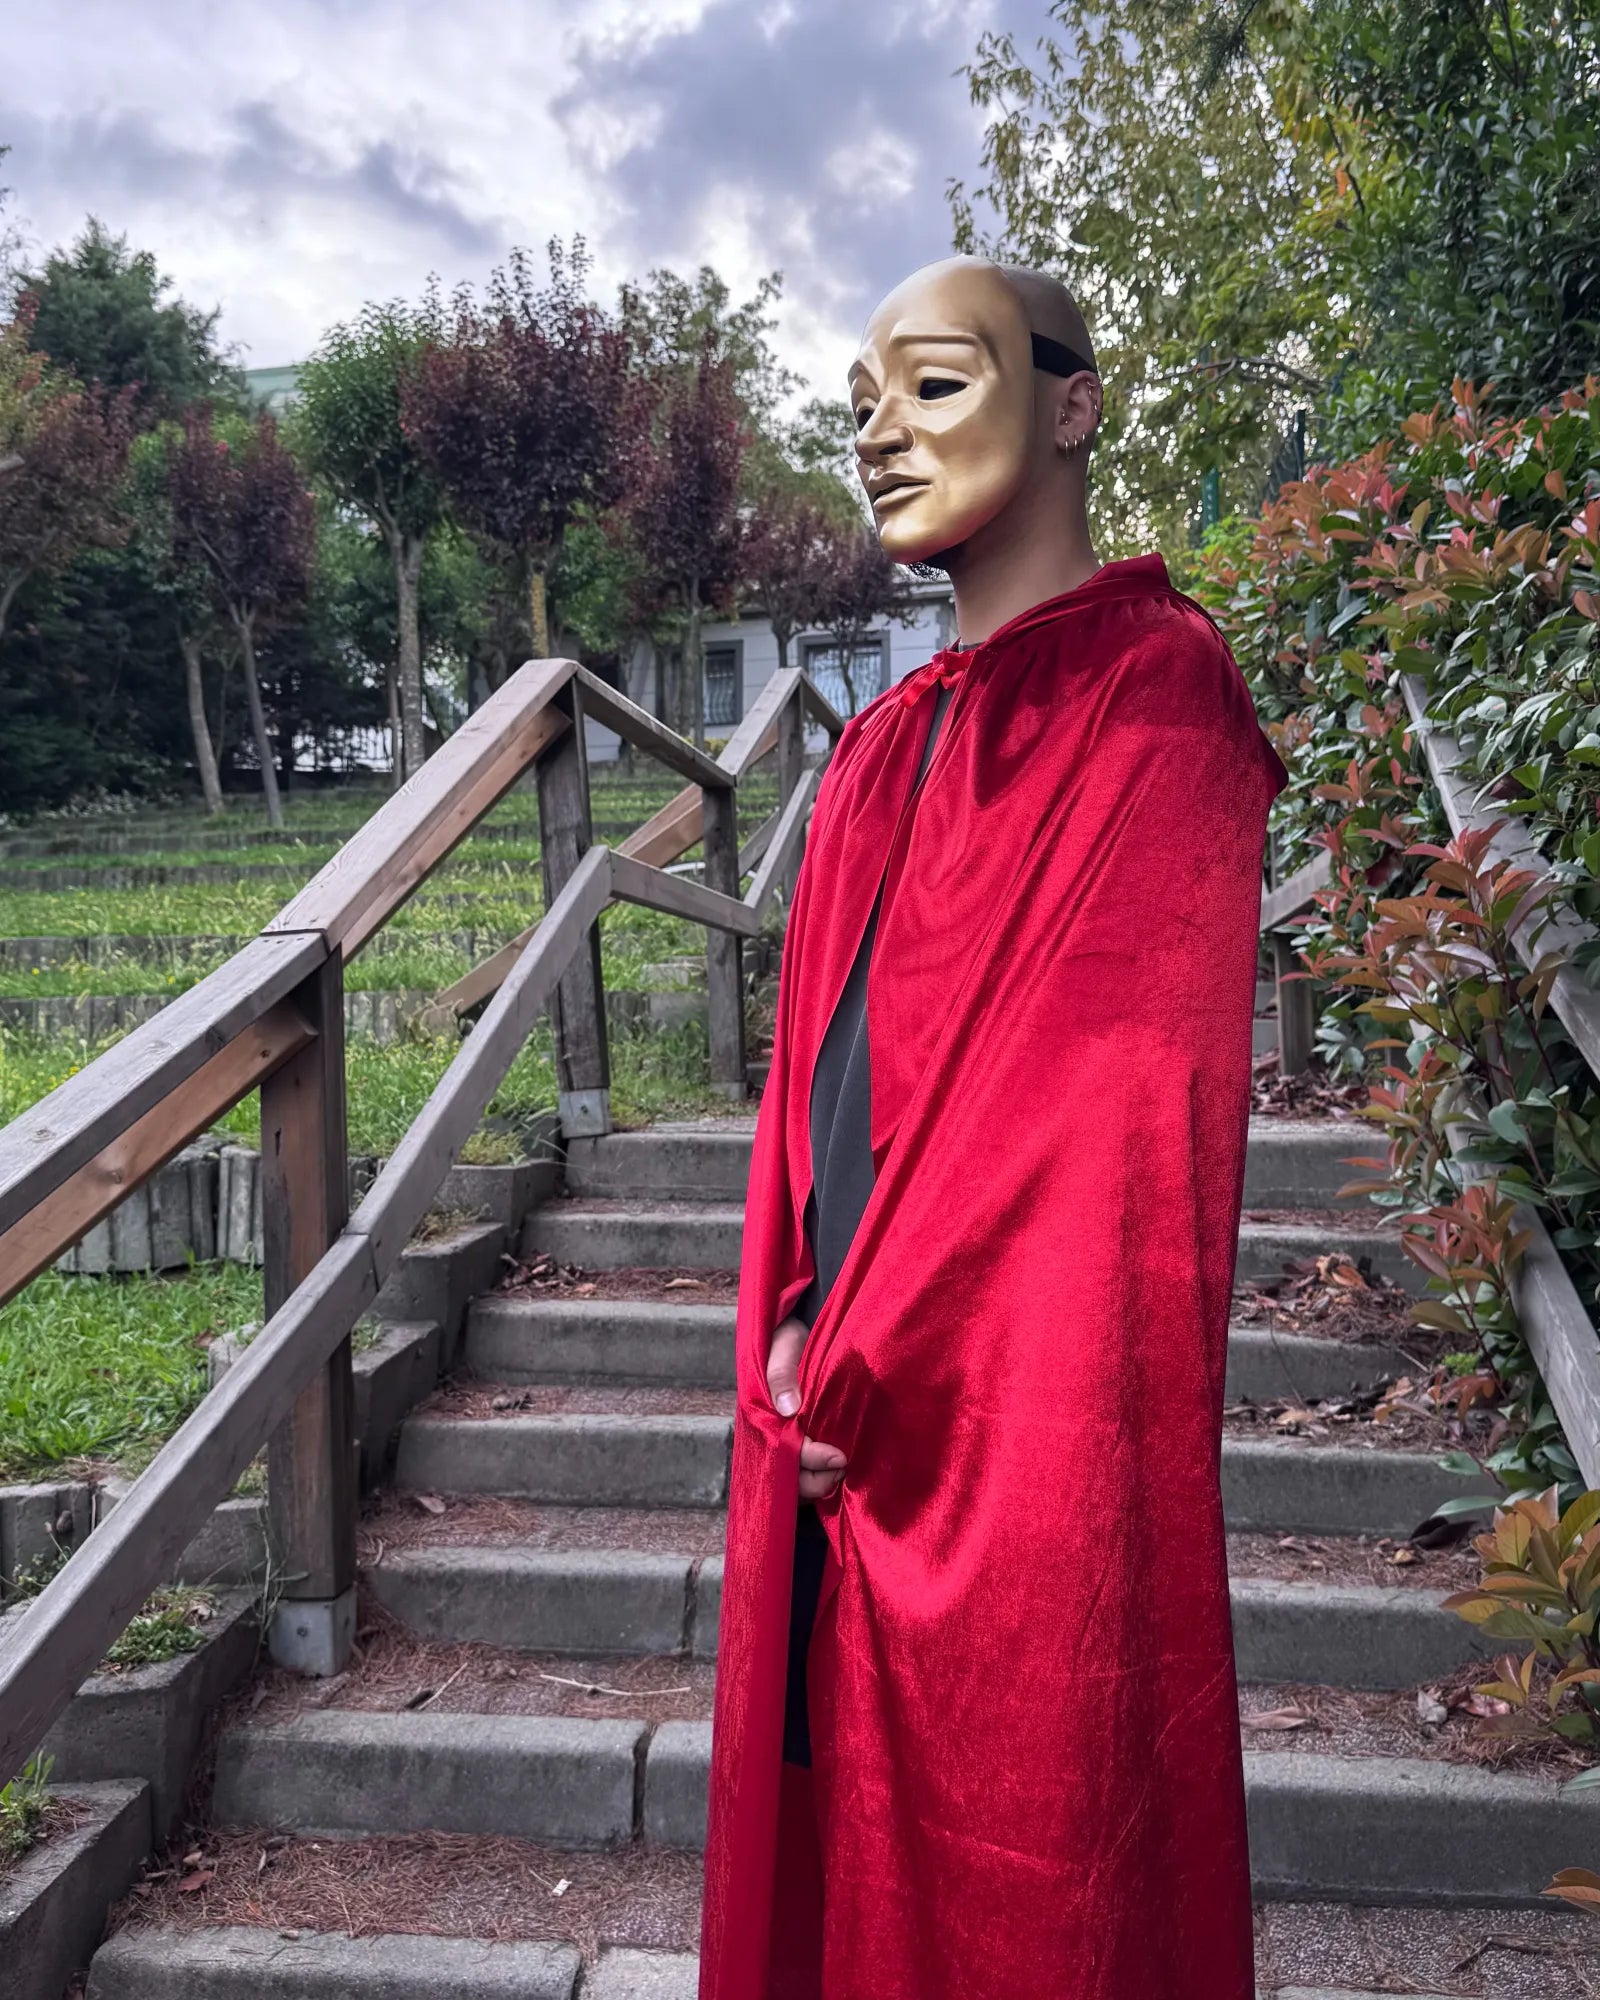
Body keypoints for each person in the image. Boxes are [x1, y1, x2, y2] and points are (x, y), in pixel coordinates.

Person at [700, 255, 1286, 2000]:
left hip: (1014, 1454)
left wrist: (897, 1372)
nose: (880, 429)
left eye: (933, 382)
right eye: (860, 401)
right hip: (824, 1440)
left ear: (1075, 401)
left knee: (1035, 1884)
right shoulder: (876, 754)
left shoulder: (1159, 702)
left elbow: (1108, 1144)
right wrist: (794, 1334)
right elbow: (815, 1108)